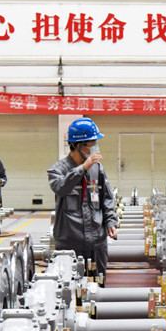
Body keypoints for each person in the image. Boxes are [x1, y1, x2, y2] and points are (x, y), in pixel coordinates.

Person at [47, 118, 118, 285]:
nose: (96, 147)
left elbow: (107, 198)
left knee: (98, 287)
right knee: (69, 289)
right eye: (92, 143)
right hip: (70, 245)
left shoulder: (97, 168)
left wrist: (111, 222)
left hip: (96, 243)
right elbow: (60, 188)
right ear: (79, 146)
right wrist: (82, 168)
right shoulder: (58, 170)